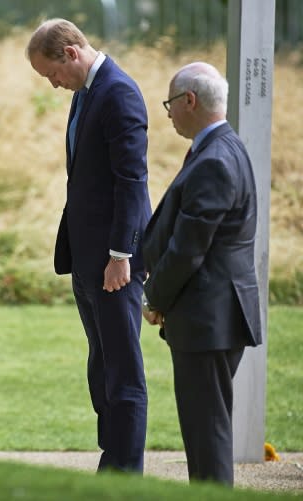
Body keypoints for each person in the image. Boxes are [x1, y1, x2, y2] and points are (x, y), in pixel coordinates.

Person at [26, 19, 151, 473]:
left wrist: (121, 255)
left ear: (71, 53)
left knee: (123, 372)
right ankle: (111, 459)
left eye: (52, 74)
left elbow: (132, 181)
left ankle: (125, 471)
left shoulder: (119, 93)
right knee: (101, 365)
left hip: (113, 263)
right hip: (86, 258)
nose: (54, 85)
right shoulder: (86, 94)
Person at [141, 62, 262, 487]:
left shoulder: (214, 159)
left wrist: (154, 298)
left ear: (189, 101)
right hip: (216, 313)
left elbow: (189, 248)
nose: (169, 113)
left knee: (206, 432)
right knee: (205, 429)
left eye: (170, 104)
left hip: (208, 317)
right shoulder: (227, 148)